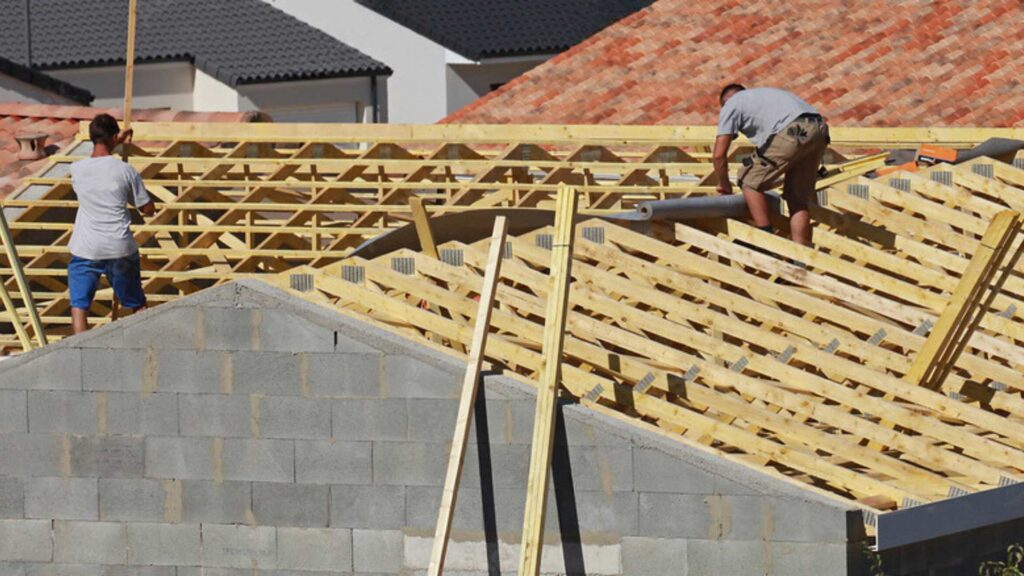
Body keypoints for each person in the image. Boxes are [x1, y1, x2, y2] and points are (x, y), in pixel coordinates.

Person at [68, 113, 154, 334]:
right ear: (114, 137)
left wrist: (114, 139)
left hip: (87, 247)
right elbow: (147, 209)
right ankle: (145, 345)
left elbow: (96, 161)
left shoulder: (77, 170)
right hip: (119, 247)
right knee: (137, 303)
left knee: (79, 305)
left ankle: (81, 353)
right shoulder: (125, 171)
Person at [712, 84, 829, 246]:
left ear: (725, 101)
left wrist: (724, 183)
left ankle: (765, 242)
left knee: (748, 180)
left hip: (792, 130)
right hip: (819, 128)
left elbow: (718, 155)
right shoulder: (764, 96)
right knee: (797, 198)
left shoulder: (731, 104)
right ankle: (801, 255)